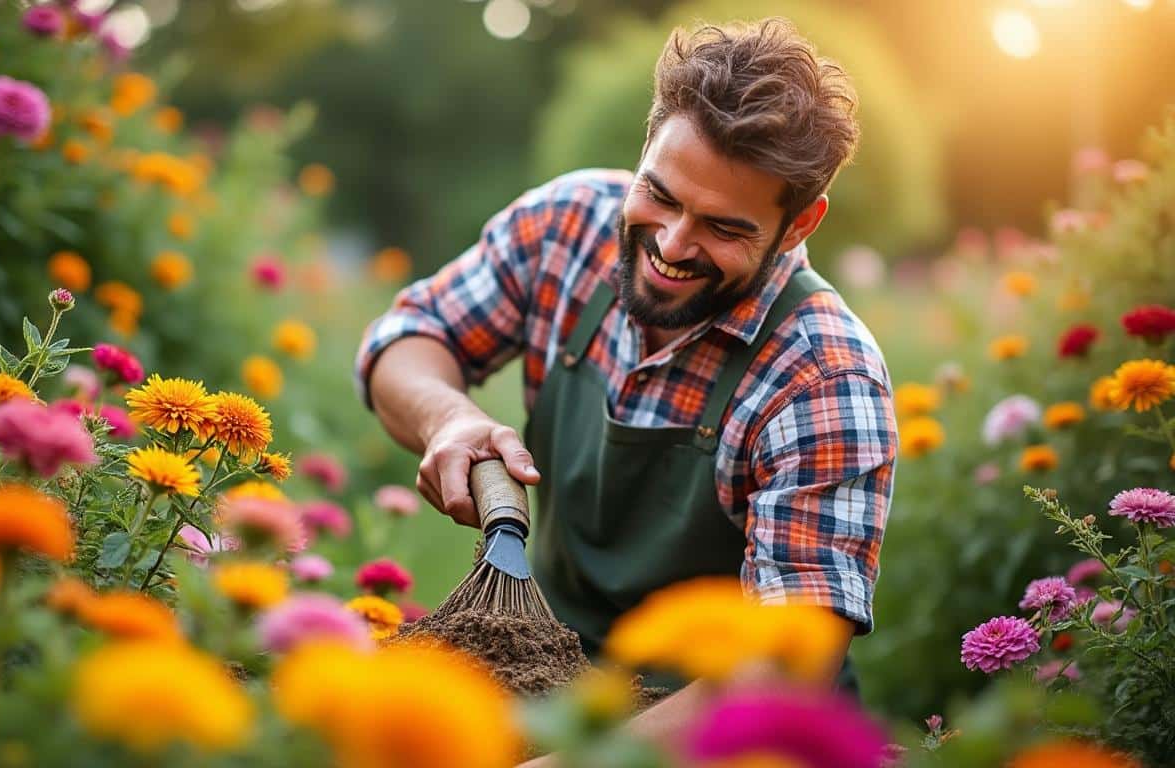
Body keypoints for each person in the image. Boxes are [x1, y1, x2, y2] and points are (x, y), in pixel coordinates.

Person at [354, 16, 896, 753]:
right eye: (661, 196)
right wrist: (446, 419)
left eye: (724, 228)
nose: (672, 246)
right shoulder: (564, 228)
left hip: (729, 734)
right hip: (560, 684)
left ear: (800, 224)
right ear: (644, 151)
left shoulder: (825, 376)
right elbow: (406, 342)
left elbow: (787, 660)